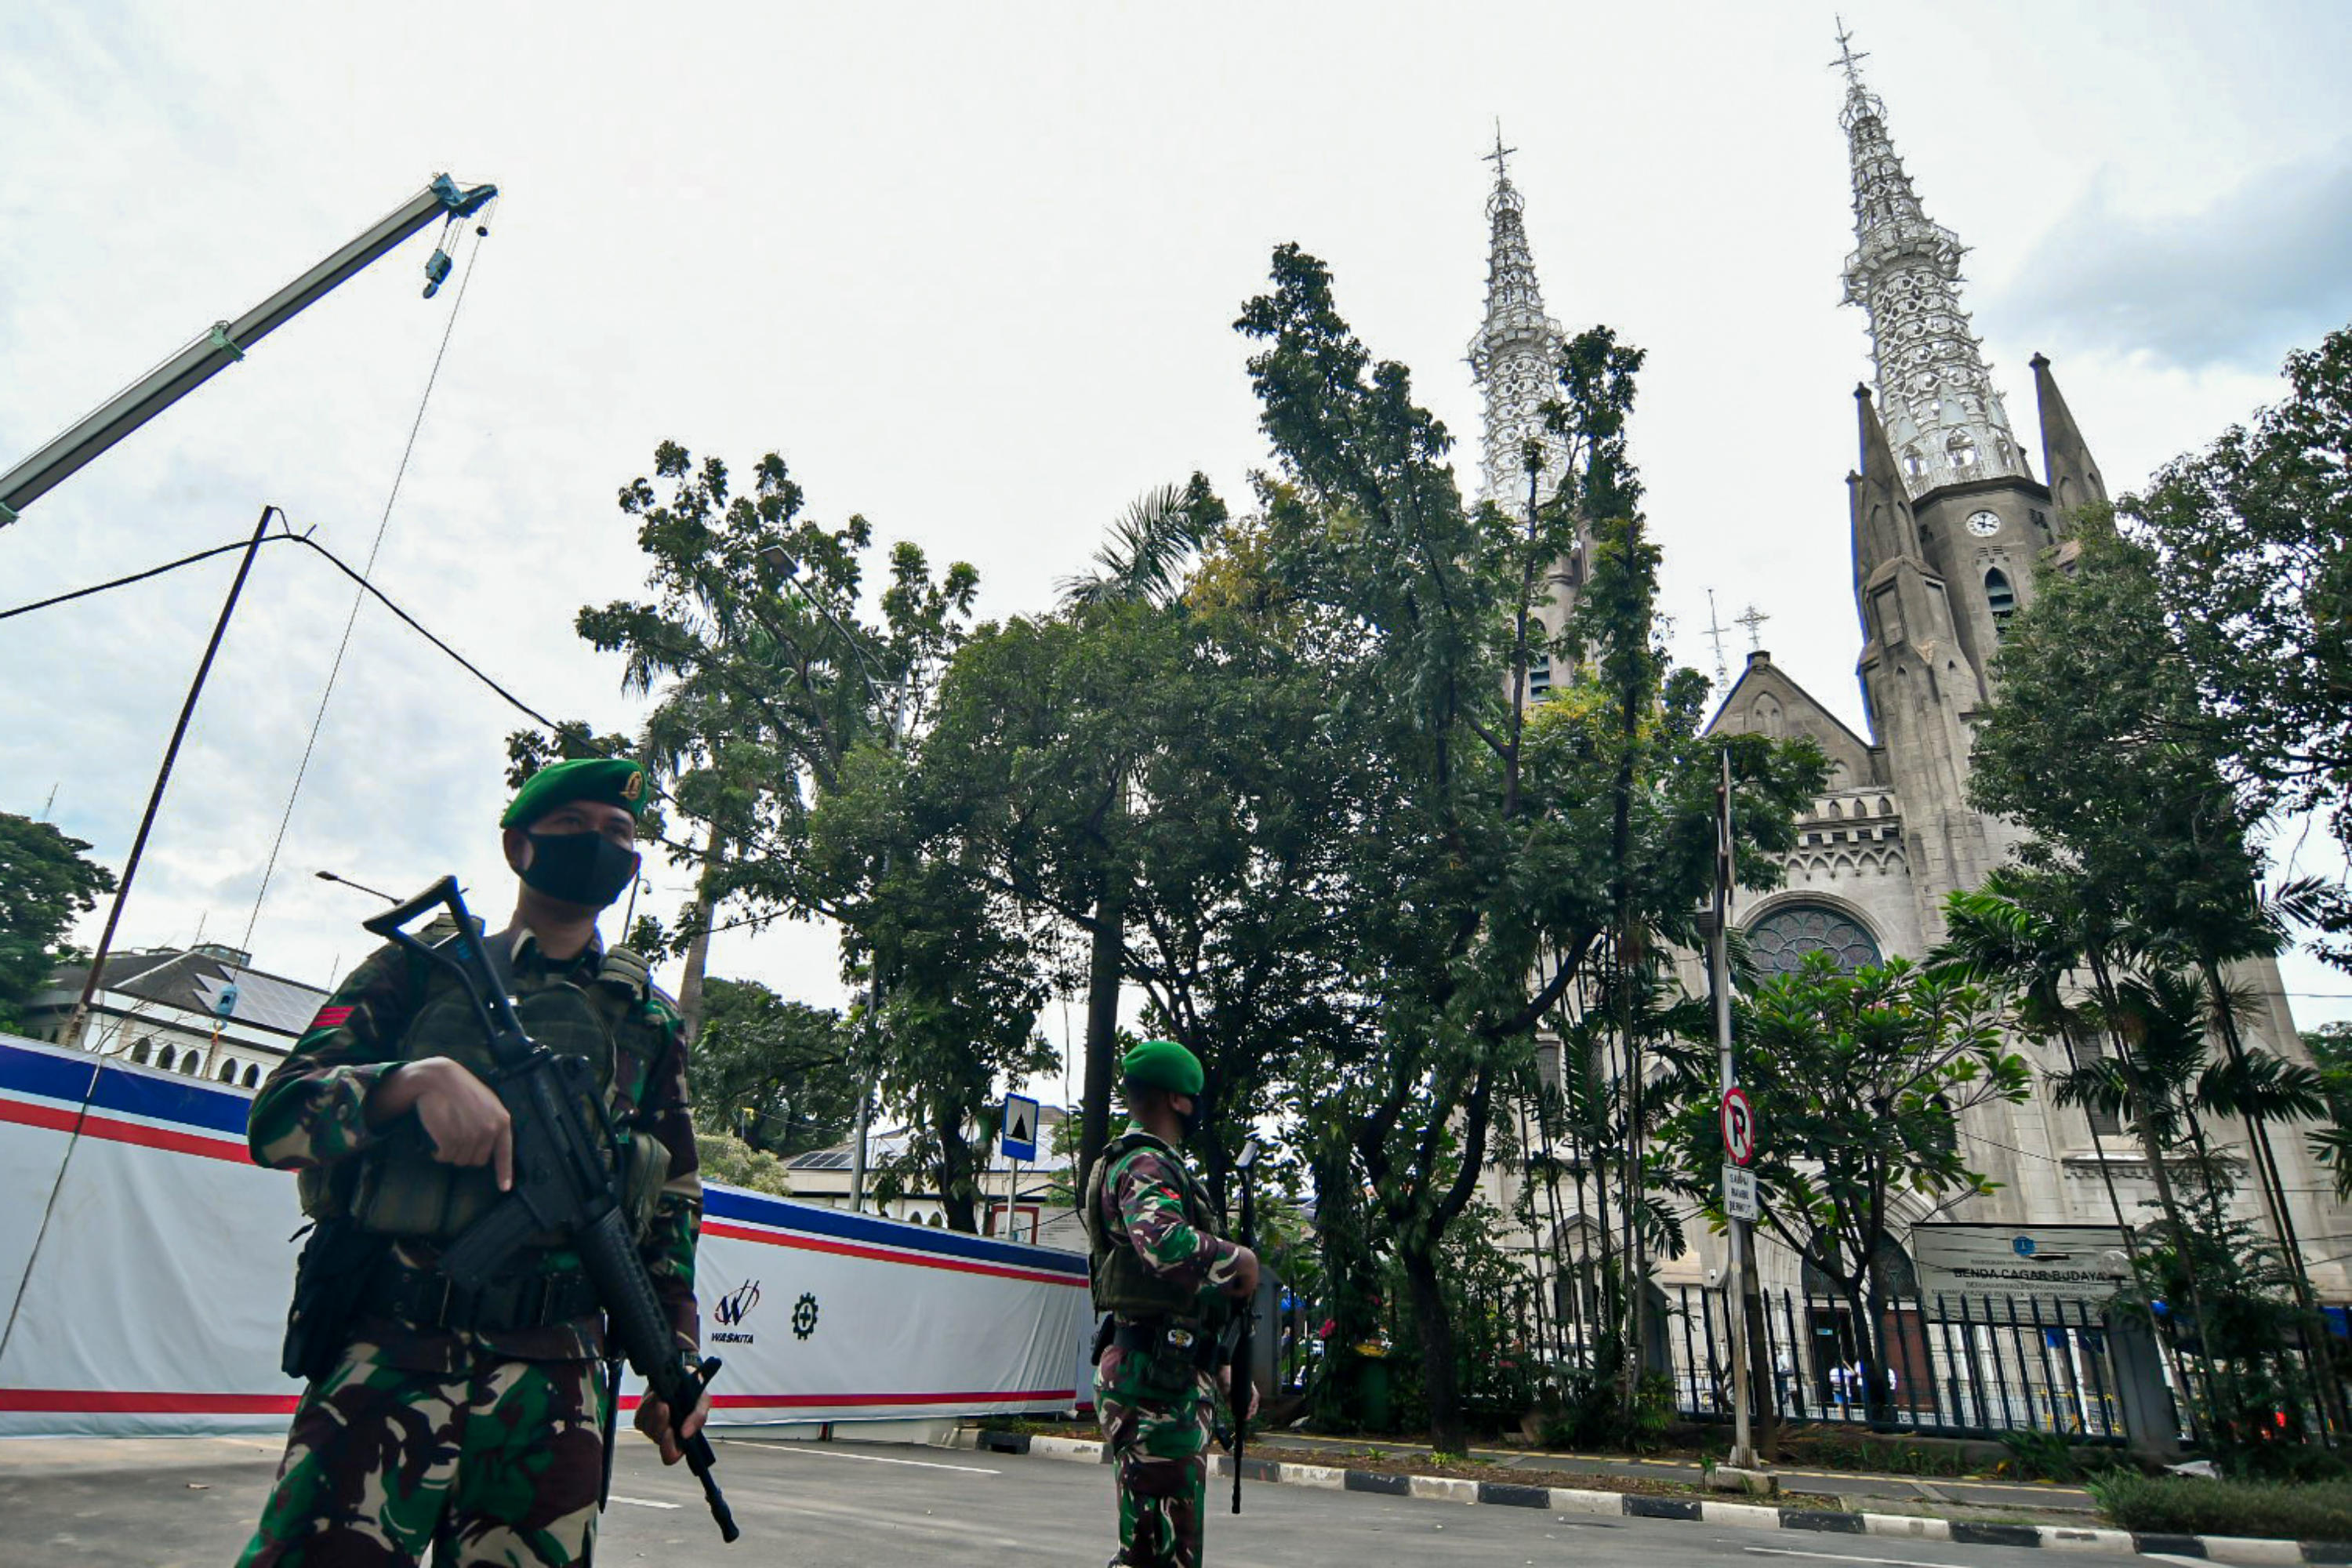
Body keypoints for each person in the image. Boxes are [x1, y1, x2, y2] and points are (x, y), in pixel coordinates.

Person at [235, 757, 709, 1567]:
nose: (601, 844)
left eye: (619, 833)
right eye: (573, 828)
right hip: (388, 1349)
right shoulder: (419, 972)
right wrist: (406, 1083)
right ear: (518, 847)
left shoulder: (650, 1023)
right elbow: (276, 1121)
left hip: (557, 1380)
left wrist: (676, 1362)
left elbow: (670, 1201)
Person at [1086, 1039, 1261, 1568]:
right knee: (1158, 1556)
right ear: (1179, 1100)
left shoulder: (1149, 1163)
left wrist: (1223, 1363)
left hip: (1164, 1370)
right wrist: (1241, 1262)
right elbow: (1161, 1243)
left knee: (1157, 1549)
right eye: (1195, 1094)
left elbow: (1178, 1295)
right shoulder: (1144, 1163)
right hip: (1154, 1385)